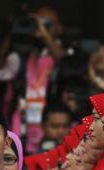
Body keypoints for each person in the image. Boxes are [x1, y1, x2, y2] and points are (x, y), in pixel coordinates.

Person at [23, 6, 67, 153]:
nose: (40, 27)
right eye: (37, 23)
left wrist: (45, 34)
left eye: (47, 24)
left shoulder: (65, 50)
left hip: (51, 126)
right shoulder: (24, 51)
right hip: (22, 127)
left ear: (59, 29)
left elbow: (63, 60)